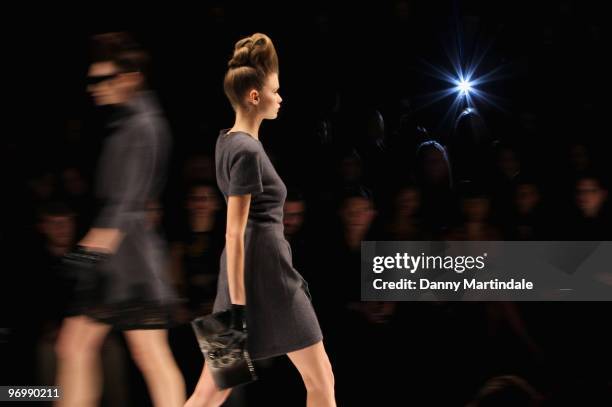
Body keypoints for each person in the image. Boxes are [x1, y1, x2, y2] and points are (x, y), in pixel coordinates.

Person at [186, 33, 336, 407]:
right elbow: (234, 233)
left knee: (210, 391)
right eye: (275, 90)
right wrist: (238, 308)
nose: (280, 97)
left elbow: (237, 235)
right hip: (266, 275)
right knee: (320, 380)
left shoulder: (226, 141)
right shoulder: (247, 150)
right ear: (255, 96)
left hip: (245, 273)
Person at [54, 32, 185, 406]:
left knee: (148, 354)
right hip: (116, 262)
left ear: (129, 77)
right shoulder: (132, 123)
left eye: (101, 79)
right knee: (76, 346)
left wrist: (78, 261)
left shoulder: (142, 127)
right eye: (91, 79)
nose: (92, 87)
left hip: (130, 266)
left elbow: (122, 208)